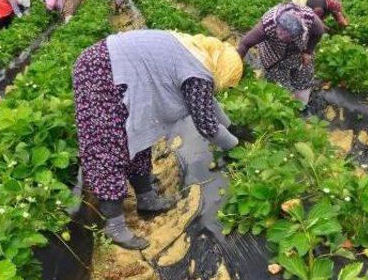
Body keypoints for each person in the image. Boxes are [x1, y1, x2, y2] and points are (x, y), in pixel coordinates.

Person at [73, 30, 243, 249]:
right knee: (110, 144)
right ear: (223, 71)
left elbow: (208, 103)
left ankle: (146, 198)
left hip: (119, 68)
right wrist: (236, 145)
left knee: (140, 132)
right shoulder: (197, 72)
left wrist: (231, 127)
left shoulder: (200, 57)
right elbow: (207, 125)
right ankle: (114, 226)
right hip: (102, 70)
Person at [237, 2, 324, 106]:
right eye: (280, 34)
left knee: (304, 76)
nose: (282, 38)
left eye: (288, 37)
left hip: (298, 50)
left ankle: (300, 106)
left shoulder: (310, 19)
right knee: (279, 87)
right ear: (277, 25)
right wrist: (236, 66)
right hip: (273, 54)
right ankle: (284, 106)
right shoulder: (267, 25)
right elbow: (244, 44)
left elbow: (319, 32)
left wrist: (308, 52)